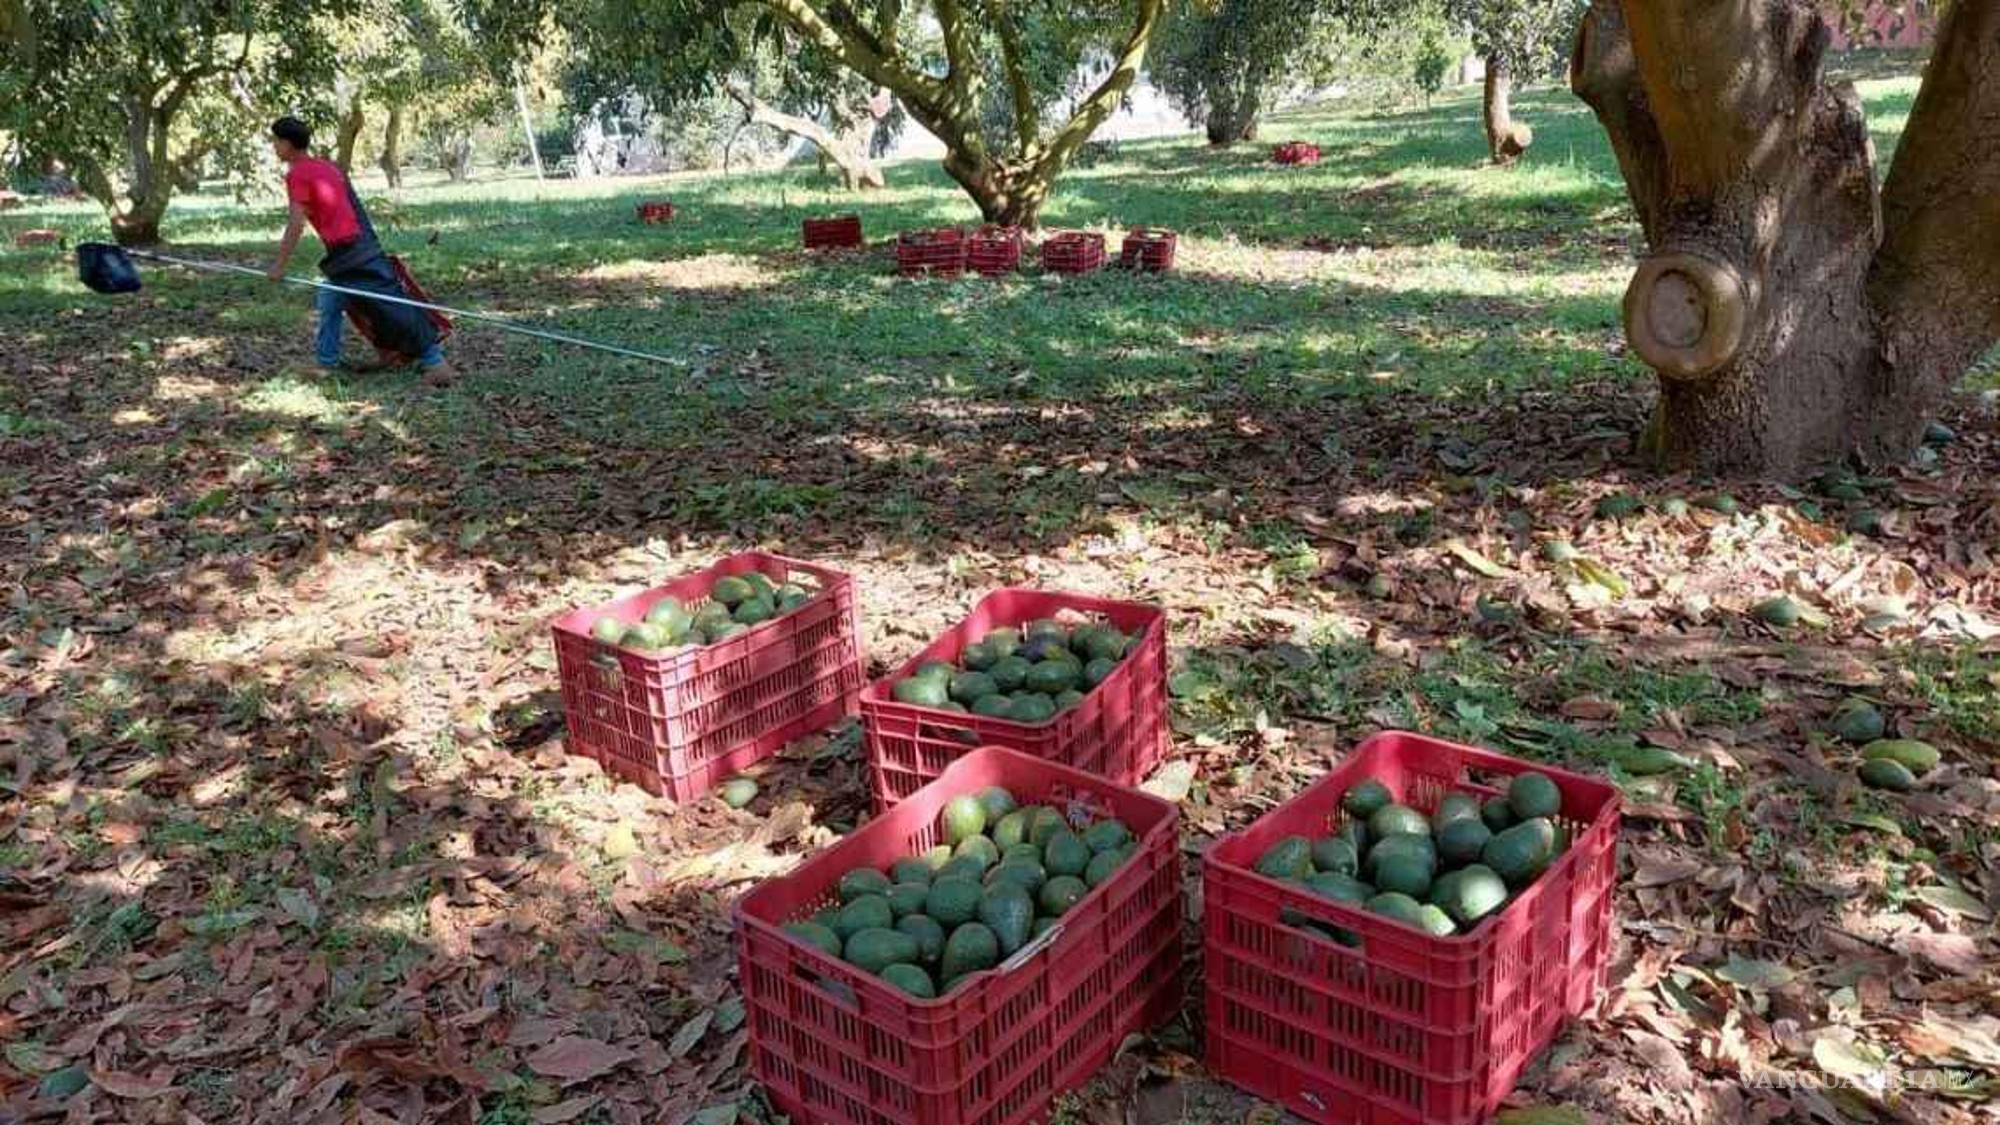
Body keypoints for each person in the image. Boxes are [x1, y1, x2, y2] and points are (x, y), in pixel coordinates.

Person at [265, 116, 454, 385]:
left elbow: (296, 223)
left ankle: (436, 364)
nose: (274, 146)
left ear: (287, 143)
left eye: (276, 141)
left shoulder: (298, 174)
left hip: (351, 253)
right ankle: (327, 363)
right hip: (358, 247)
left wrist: (279, 265)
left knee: (391, 306)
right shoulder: (328, 167)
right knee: (330, 298)